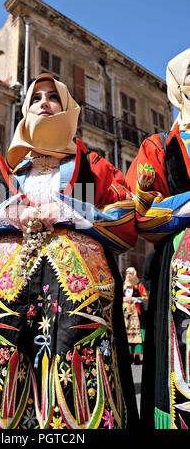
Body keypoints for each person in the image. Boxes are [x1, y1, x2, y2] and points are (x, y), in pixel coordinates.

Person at [0, 74, 139, 430]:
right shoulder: (9, 174)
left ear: (67, 109)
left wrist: (69, 213)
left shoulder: (91, 168)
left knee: (75, 378)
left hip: (75, 292)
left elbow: (124, 218)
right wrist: (6, 214)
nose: (43, 103)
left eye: (53, 97)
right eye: (36, 98)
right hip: (5, 290)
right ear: (26, 110)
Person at [125, 48, 190, 429]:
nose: (44, 106)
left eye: (53, 99)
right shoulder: (160, 146)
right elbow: (137, 212)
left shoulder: (85, 163)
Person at [123, 267, 148, 365]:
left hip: (136, 314)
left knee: (138, 336)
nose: (128, 275)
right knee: (127, 335)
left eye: (130, 273)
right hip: (126, 314)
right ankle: (129, 356)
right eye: (126, 273)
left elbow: (145, 298)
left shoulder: (139, 285)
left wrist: (135, 299)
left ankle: (137, 356)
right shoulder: (123, 286)